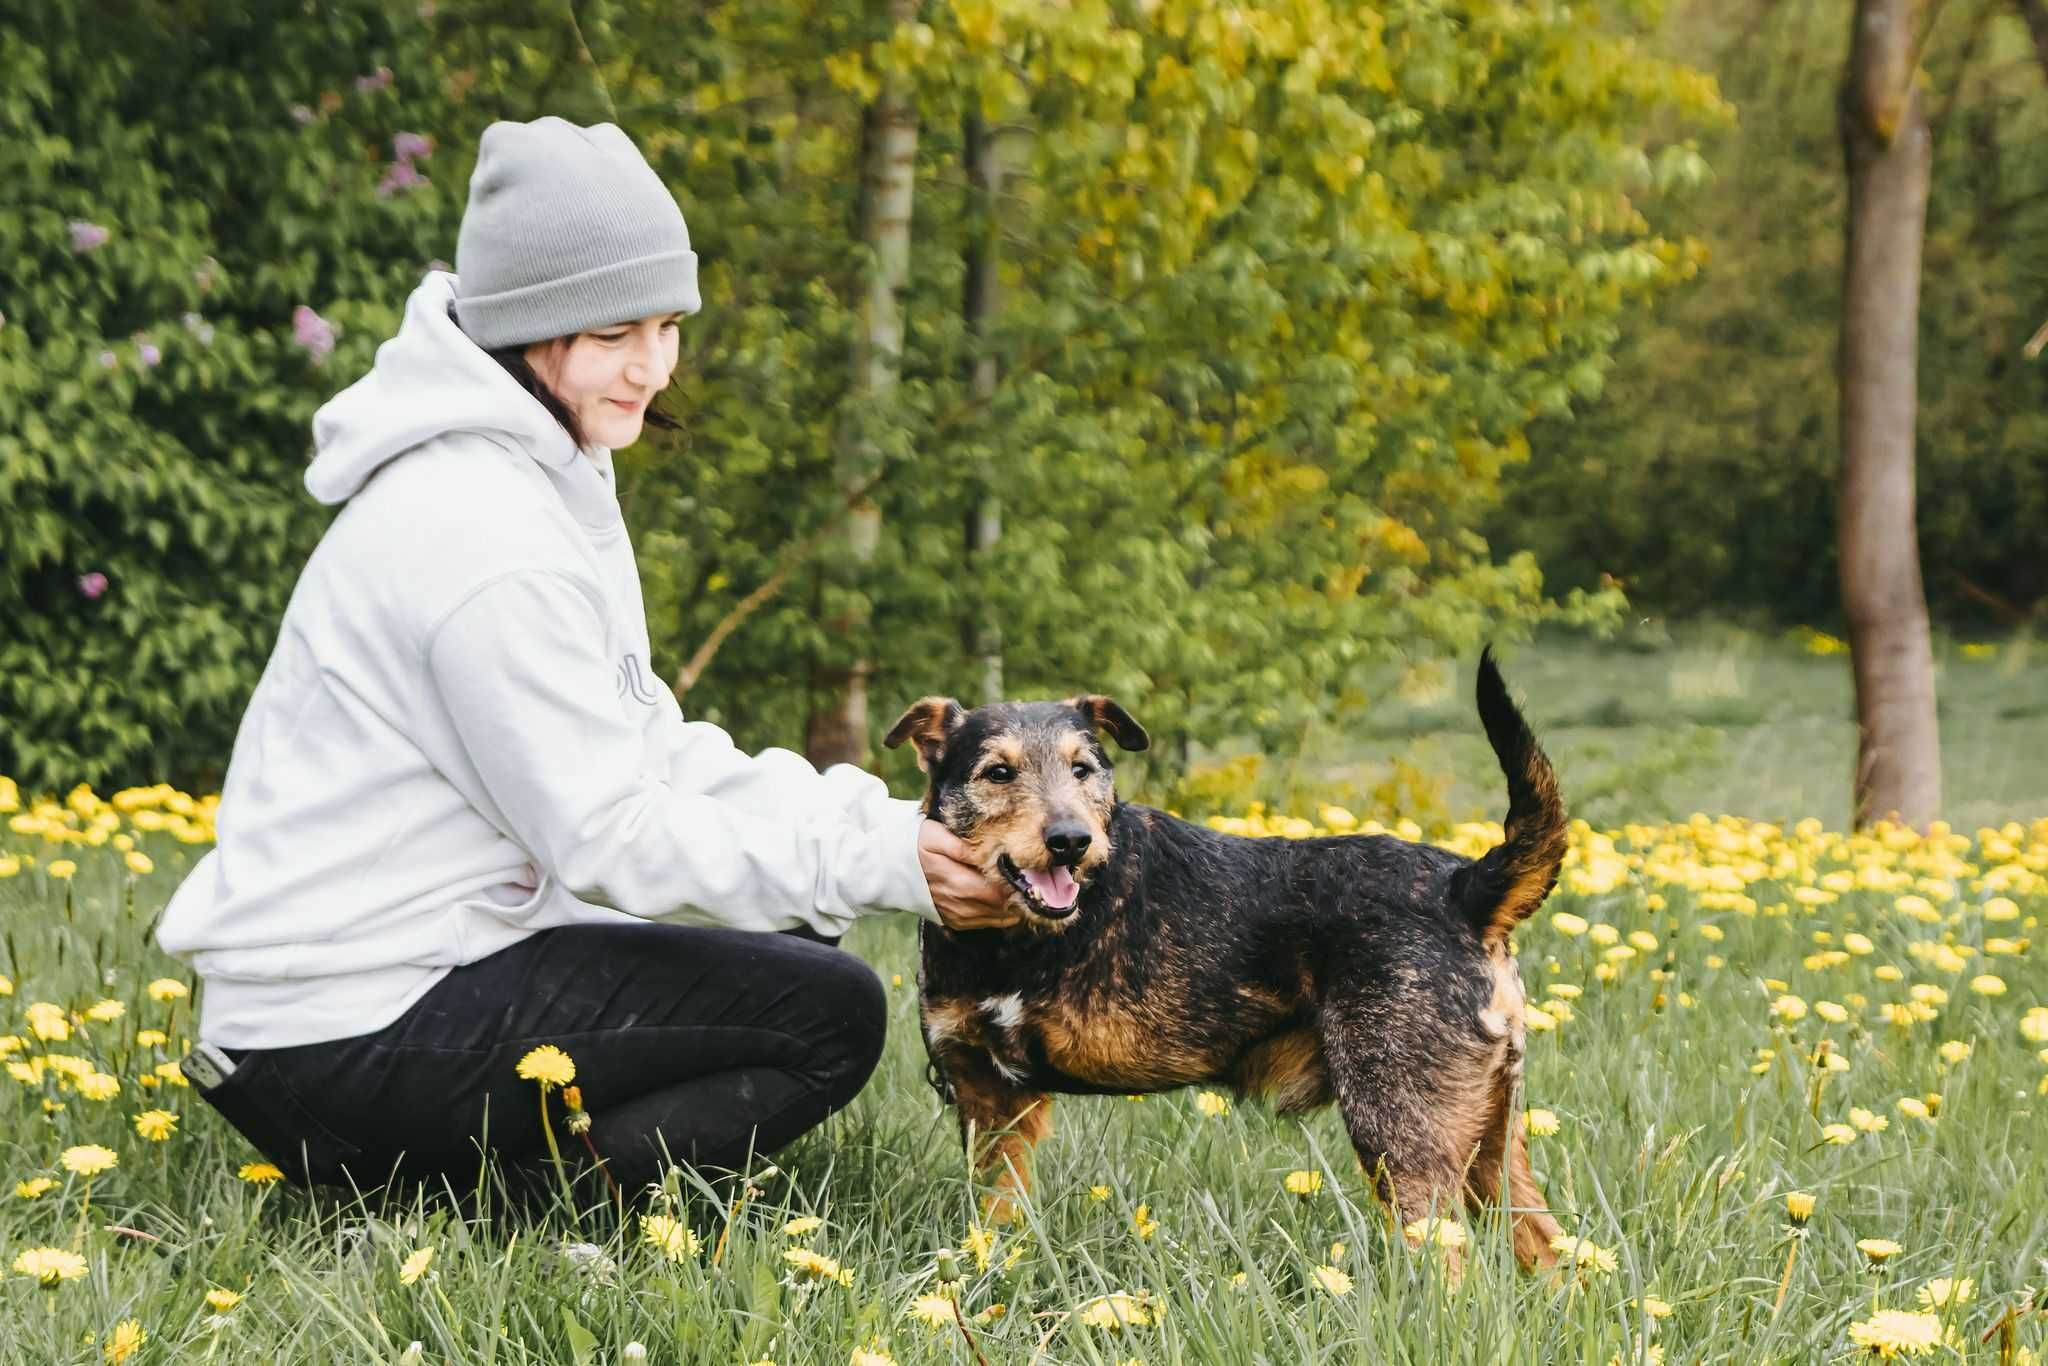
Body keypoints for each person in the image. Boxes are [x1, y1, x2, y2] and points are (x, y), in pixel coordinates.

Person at [155, 116, 1015, 1200]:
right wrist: (887, 868)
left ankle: (496, 1172)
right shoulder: (479, 532)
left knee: (798, 913)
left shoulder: (534, 469)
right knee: (827, 1008)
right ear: (528, 327)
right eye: (616, 332)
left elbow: (650, 745)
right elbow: (611, 834)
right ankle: (496, 1208)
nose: (652, 367)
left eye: (667, 324)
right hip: (336, 1036)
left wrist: (890, 833)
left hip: (390, 991)